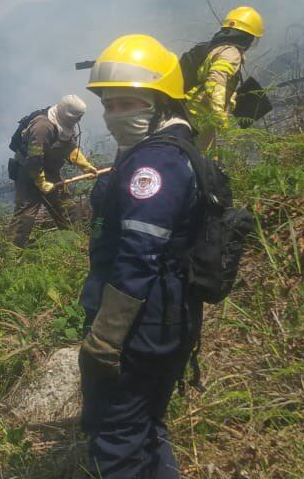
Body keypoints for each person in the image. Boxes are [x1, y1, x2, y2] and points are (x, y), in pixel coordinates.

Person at [78, 34, 204, 478]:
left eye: (126, 104)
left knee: (116, 437)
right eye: (109, 105)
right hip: (164, 317)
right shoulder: (169, 152)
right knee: (146, 427)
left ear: (160, 103)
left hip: (140, 326)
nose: (114, 115)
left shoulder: (156, 164)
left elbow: (139, 253)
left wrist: (106, 337)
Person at [10, 95, 96, 247]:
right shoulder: (42, 127)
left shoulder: (65, 124)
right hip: (27, 173)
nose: (78, 121)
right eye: (77, 118)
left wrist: (84, 165)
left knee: (68, 210)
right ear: (67, 114)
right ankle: (12, 252)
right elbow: (34, 158)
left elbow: (68, 146)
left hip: (50, 172)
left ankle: (75, 244)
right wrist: (41, 182)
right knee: (25, 216)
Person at [186, 6, 264, 150]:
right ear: (249, 37)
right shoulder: (231, 53)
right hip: (202, 116)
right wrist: (219, 115)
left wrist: (231, 99)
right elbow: (216, 81)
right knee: (199, 157)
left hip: (190, 110)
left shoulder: (216, 47)